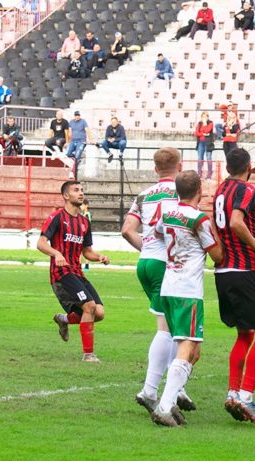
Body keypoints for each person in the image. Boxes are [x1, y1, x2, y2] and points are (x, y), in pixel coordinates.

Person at [122, 148, 194, 414]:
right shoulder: (182, 193)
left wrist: (147, 250)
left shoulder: (144, 195)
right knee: (169, 328)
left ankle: (177, 389)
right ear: (180, 166)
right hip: (167, 263)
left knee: (173, 326)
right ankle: (150, 390)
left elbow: (127, 230)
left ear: (155, 169)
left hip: (146, 262)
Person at [149, 170, 223, 427]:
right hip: (187, 290)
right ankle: (165, 406)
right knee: (187, 346)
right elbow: (218, 256)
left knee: (194, 351)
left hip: (169, 286)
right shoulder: (199, 219)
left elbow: (158, 233)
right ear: (199, 191)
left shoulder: (167, 212)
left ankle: (172, 397)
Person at [213, 148, 255, 426]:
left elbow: (225, 227)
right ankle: (246, 395)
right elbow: (236, 222)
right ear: (249, 166)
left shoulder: (220, 190)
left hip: (223, 271)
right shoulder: (247, 189)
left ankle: (233, 393)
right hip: (245, 270)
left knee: (245, 335)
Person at [38, 180, 110, 363]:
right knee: (89, 307)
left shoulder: (84, 222)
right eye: (76, 190)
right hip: (61, 273)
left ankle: (64, 319)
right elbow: (41, 243)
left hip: (77, 272)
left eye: (82, 190)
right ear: (66, 196)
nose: (81, 193)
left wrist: (99, 257)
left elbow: (87, 252)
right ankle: (88, 355)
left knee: (99, 313)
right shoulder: (57, 217)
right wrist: (56, 253)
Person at [194, 112, 214, 179]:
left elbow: (208, 130)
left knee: (209, 158)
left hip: (208, 143)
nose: (204, 118)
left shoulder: (210, 123)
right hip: (201, 142)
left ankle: (209, 174)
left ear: (208, 117)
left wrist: (205, 124)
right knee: (200, 158)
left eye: (205, 116)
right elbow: (196, 133)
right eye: (203, 117)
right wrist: (203, 134)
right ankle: (199, 173)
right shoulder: (199, 124)